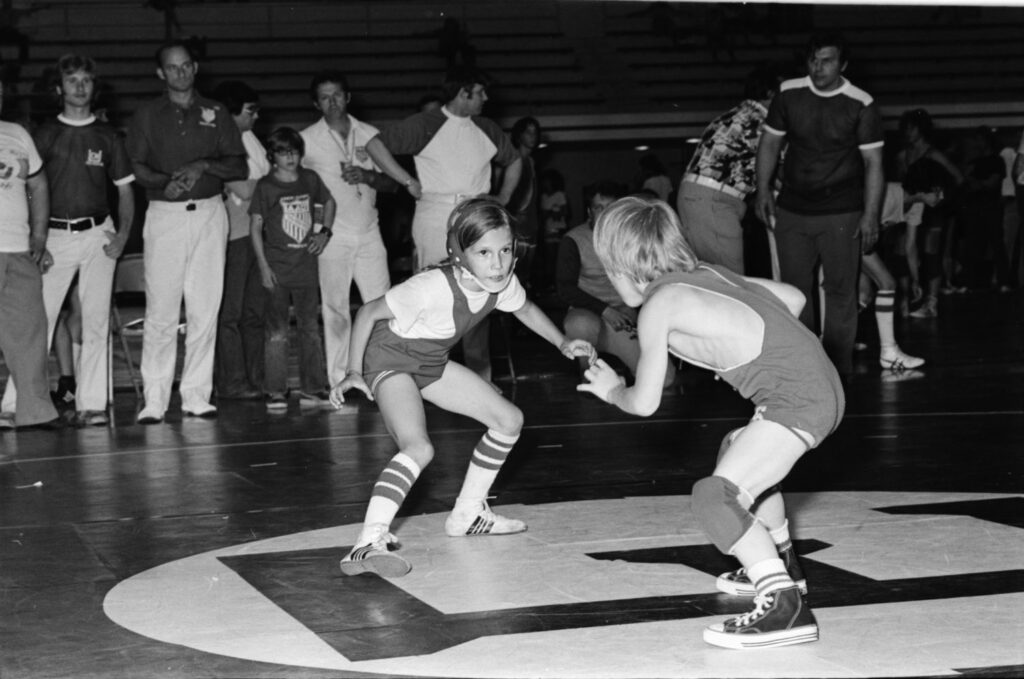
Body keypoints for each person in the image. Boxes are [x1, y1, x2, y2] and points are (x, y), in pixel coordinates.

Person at [578, 196, 843, 649]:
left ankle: (784, 606)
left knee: (713, 496)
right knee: (735, 450)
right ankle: (782, 566)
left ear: (620, 268)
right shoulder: (710, 277)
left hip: (796, 399)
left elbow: (644, 403)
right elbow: (794, 299)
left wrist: (610, 390)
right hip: (817, 389)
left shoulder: (659, 305)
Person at [329, 198, 593, 577]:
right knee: (418, 447)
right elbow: (368, 311)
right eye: (484, 252)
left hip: (429, 360)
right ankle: (367, 542)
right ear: (459, 254)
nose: (498, 263)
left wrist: (562, 342)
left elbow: (525, 309)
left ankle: (468, 513)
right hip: (389, 358)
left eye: (505, 250)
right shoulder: (431, 287)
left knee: (508, 420)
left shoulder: (501, 283)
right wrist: (354, 371)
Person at [364, 65, 522, 383]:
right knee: (426, 295)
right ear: (463, 93)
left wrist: (502, 199)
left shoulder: (487, 128)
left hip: (477, 213)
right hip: (435, 212)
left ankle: (482, 381)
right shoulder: (427, 123)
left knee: (481, 293)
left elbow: (515, 159)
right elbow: (374, 146)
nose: (486, 98)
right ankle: (416, 377)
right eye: (480, 92)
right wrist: (406, 180)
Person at [2, 54, 134, 428]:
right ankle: (14, 405)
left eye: (86, 80)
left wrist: (122, 235)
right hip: (53, 238)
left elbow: (125, 192)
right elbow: (28, 189)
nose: (79, 87)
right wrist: (37, 240)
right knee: (34, 323)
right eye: (72, 80)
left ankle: (92, 405)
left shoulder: (109, 136)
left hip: (98, 236)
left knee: (94, 322)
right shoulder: (41, 134)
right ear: (59, 89)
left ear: (95, 86)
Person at [126, 40, 247, 424]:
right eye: (171, 67)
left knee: (205, 308)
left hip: (211, 215)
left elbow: (238, 166)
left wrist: (203, 165)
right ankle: (155, 400)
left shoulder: (216, 111)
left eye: (185, 66)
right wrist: (167, 181)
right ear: (161, 73)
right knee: (161, 310)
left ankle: (196, 395)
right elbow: (136, 167)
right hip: (165, 216)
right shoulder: (147, 115)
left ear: (195, 68)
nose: (180, 73)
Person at [755, 32, 884, 378]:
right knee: (796, 292)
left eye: (827, 60)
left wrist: (870, 215)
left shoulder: (861, 103)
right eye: (813, 59)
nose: (818, 67)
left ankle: (837, 370)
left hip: (842, 209)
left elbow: (874, 164)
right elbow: (769, 144)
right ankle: (807, 366)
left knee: (841, 290)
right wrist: (762, 189)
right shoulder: (788, 93)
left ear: (843, 65)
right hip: (793, 208)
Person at [299, 71, 398, 392]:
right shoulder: (306, 140)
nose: (333, 102)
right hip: (331, 235)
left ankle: (386, 374)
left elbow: (393, 183)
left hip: (369, 230)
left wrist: (368, 177)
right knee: (335, 308)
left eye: (337, 95)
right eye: (325, 97)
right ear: (316, 103)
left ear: (348, 97)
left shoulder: (371, 135)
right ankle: (340, 378)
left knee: (382, 304)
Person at [557, 181, 676, 389]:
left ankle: (629, 380)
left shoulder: (629, 237)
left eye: (610, 208)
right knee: (578, 324)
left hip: (623, 317)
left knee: (665, 379)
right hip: (586, 313)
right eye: (598, 208)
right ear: (589, 211)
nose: (604, 214)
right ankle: (589, 376)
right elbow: (565, 289)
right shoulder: (573, 239)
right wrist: (606, 311)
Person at [249, 127, 335, 410]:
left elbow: (327, 203)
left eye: (295, 152)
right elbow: (256, 226)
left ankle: (313, 388)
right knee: (277, 331)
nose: (290, 157)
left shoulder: (310, 179)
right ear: (272, 156)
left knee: (310, 328)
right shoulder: (266, 186)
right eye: (284, 152)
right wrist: (263, 266)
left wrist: (323, 232)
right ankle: (275, 390)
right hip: (277, 268)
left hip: (305, 269)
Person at [0, 76, 61, 430]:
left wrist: (40, 234)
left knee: (30, 331)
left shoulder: (17, 134)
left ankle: (35, 412)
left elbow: (38, 183)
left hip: (19, 249)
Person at [677, 65, 780, 274]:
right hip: (713, 201)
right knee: (729, 281)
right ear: (771, 92)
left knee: (713, 277)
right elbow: (778, 172)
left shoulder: (741, 114)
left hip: (703, 198)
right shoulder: (758, 121)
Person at [212, 80, 268, 401]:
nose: (256, 116)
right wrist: (278, 186)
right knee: (230, 313)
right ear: (232, 112)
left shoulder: (250, 138)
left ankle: (256, 378)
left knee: (254, 313)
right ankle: (232, 381)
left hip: (257, 232)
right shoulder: (220, 140)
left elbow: (256, 185)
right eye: (250, 110)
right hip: (233, 234)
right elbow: (244, 189)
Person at [896, 109, 962, 318]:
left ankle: (931, 303)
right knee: (904, 252)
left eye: (912, 128)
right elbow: (900, 185)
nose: (908, 132)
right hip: (911, 208)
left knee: (932, 253)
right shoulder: (901, 156)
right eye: (906, 128)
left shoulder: (933, 154)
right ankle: (908, 298)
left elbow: (958, 178)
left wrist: (942, 195)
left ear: (921, 129)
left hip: (933, 210)